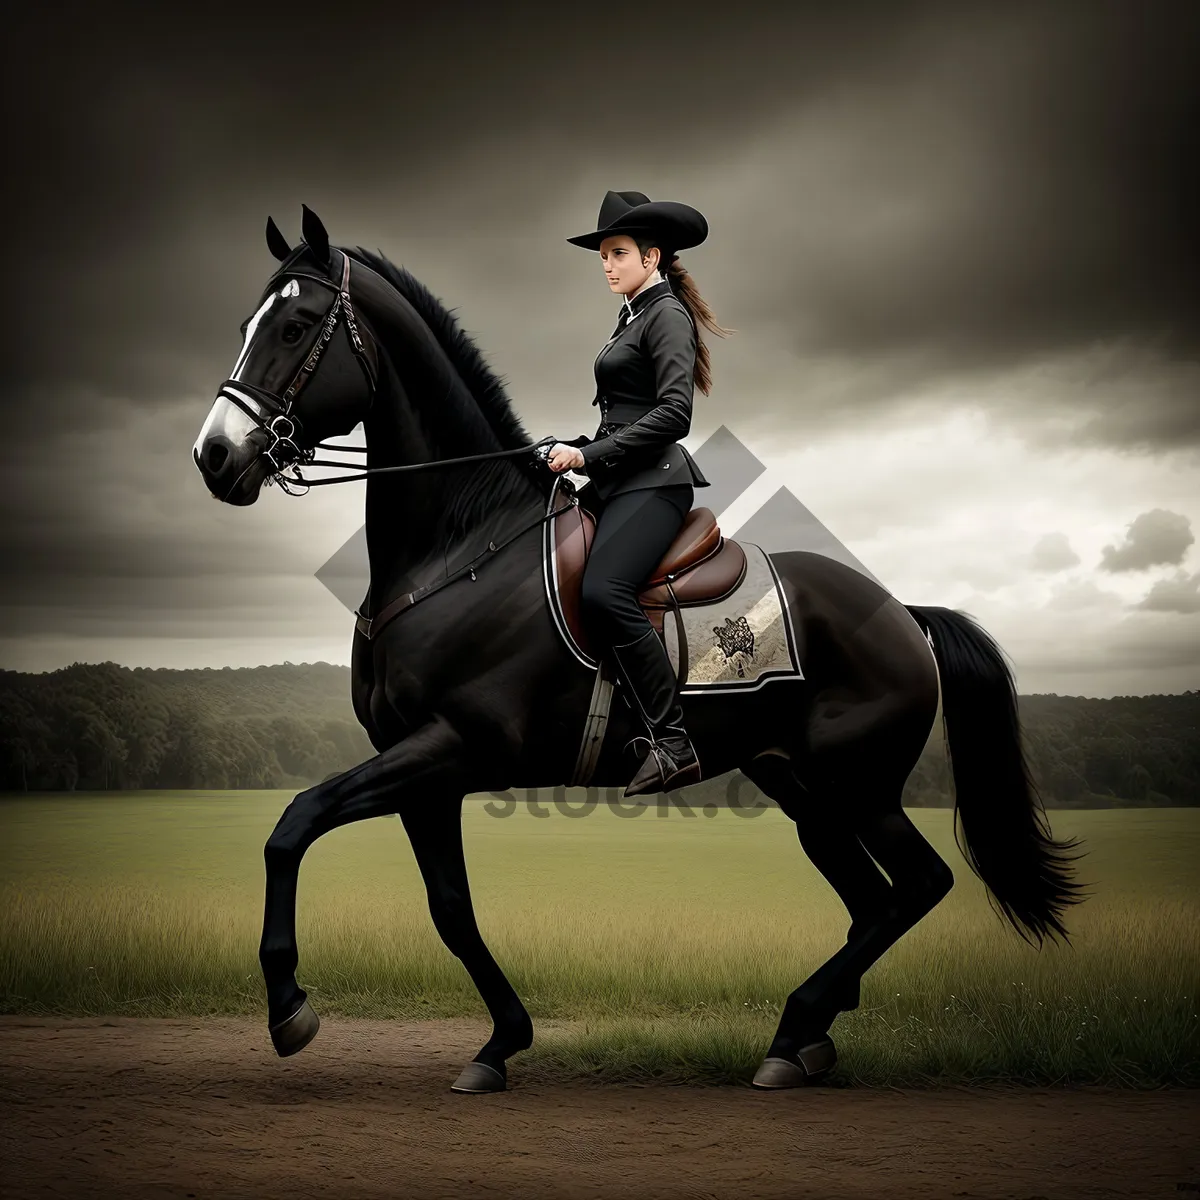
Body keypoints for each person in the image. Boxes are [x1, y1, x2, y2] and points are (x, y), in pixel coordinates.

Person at [546, 189, 734, 797]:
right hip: (617, 479)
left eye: (618, 252)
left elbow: (675, 413)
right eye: (602, 254)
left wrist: (589, 455)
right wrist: (568, 446)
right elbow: (619, 419)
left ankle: (673, 741)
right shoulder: (629, 316)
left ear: (651, 257)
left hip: (656, 485)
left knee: (603, 590)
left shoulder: (666, 314)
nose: (607, 263)